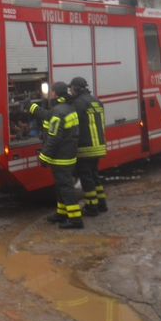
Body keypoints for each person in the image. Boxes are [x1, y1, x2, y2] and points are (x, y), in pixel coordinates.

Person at [27, 82, 82, 229]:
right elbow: (47, 115)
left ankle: (76, 219)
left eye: (51, 92)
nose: (50, 94)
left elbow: (54, 138)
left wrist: (44, 157)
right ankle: (62, 213)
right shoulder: (67, 107)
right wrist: (31, 106)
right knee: (60, 186)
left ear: (55, 94)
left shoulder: (59, 111)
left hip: (61, 157)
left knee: (65, 187)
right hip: (67, 154)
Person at [68, 77, 107, 216]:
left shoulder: (79, 103)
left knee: (86, 178)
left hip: (86, 147)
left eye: (71, 88)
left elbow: (73, 123)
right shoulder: (96, 101)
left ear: (76, 88)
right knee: (94, 175)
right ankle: (101, 204)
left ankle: (91, 207)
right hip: (98, 146)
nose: (70, 91)